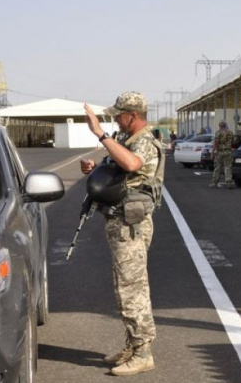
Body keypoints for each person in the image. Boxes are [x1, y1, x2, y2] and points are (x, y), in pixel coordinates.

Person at [80, 91, 162, 376]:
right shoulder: (129, 141)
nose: (116, 118)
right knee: (123, 287)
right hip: (121, 222)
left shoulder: (146, 142)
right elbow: (119, 169)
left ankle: (143, 352)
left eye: (119, 114)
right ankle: (132, 344)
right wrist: (96, 168)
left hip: (132, 226)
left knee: (132, 288)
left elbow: (131, 164)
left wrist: (101, 134)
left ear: (133, 116)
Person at [210, 121, 234, 189]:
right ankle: (229, 182)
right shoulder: (230, 132)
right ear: (226, 125)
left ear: (220, 126)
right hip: (228, 152)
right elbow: (232, 142)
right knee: (228, 167)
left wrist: (213, 152)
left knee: (217, 167)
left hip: (220, 152)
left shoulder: (218, 132)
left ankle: (215, 182)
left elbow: (216, 143)